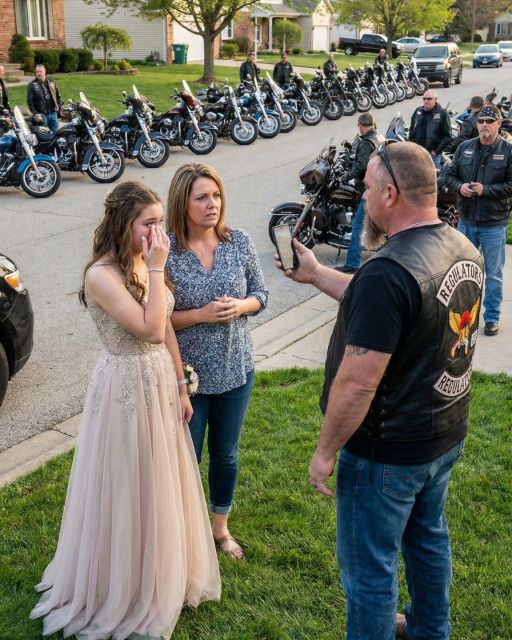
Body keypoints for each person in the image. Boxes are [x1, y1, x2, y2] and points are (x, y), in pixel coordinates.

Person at [275, 141, 484, 640]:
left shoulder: (388, 272)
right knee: (428, 541)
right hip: (443, 433)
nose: (363, 198)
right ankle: (431, 630)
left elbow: (359, 381)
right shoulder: (461, 245)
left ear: (390, 193)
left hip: (387, 450)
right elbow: (394, 309)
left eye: (368, 188)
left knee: (369, 570)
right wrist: (316, 274)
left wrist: (325, 452)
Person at [30, 181, 221, 638]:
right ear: (123, 223)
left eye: (161, 221)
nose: (159, 233)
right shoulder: (102, 275)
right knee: (128, 479)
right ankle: (123, 584)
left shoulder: (145, 259)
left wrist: (181, 385)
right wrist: (156, 268)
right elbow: (150, 328)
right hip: (124, 385)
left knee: (161, 478)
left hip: (158, 380)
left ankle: (164, 572)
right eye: (148, 223)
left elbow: (167, 329)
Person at [166, 163, 269, 560]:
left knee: (225, 455)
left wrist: (242, 306)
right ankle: (185, 534)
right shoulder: (166, 252)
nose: (213, 204)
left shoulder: (237, 241)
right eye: (202, 198)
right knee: (187, 460)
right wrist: (200, 315)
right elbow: (155, 320)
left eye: (216, 195)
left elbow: (261, 294)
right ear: (183, 203)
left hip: (236, 369)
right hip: (187, 378)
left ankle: (219, 528)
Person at [446, 103, 512, 336]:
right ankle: (465, 318)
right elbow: (449, 176)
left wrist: (486, 190)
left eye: (489, 121)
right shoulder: (464, 147)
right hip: (466, 221)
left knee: (493, 275)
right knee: (463, 274)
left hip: (494, 223)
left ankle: (491, 318)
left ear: (498, 124)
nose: (484, 125)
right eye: (481, 121)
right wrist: (460, 187)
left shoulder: (508, 151)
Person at [337, 112, 385, 273]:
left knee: (358, 225)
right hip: (380, 185)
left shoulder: (366, 142)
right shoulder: (379, 137)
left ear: (360, 125)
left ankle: (352, 263)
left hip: (369, 189)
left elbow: (361, 166)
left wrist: (344, 177)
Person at [409, 89, 451, 169]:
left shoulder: (442, 114)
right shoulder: (418, 111)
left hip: (432, 155)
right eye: (424, 99)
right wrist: (410, 145)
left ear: (435, 99)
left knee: (433, 175)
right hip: (417, 152)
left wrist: (436, 151)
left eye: (429, 99)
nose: (426, 101)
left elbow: (447, 136)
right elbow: (411, 129)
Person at [27, 64, 62, 133]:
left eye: (40, 71)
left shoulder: (52, 81)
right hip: (41, 115)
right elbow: (30, 102)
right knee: (44, 134)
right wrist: (35, 113)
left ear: (44, 72)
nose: (39, 73)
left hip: (53, 113)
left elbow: (58, 95)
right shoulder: (32, 85)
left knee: (56, 133)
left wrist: (59, 107)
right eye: (37, 72)